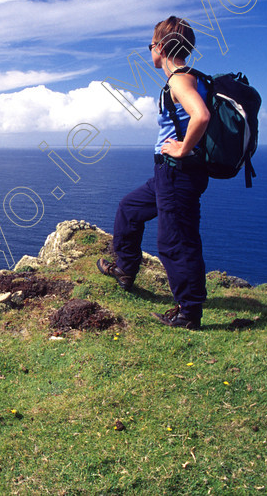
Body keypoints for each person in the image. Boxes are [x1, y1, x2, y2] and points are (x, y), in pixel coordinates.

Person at [97, 16, 210, 330]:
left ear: (160, 47)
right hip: (169, 174)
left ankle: (188, 313)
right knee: (130, 210)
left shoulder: (179, 79)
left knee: (176, 241)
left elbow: (201, 115)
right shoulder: (193, 77)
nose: (150, 51)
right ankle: (125, 270)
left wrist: (182, 149)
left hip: (178, 171)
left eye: (151, 45)